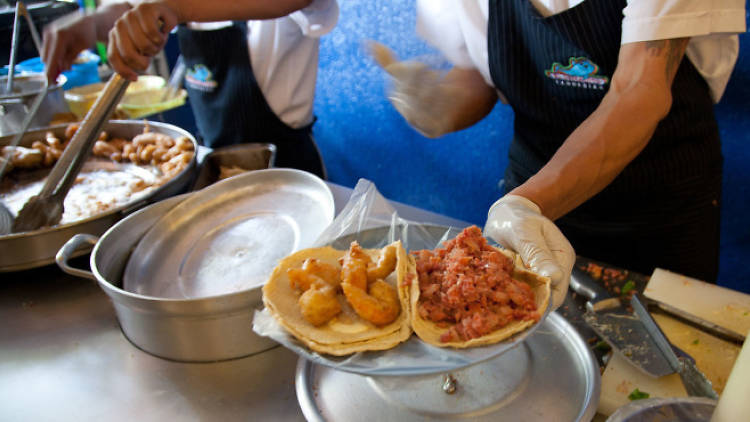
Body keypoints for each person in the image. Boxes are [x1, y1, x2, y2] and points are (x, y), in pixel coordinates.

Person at [375, 0, 746, 309]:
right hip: (530, 192)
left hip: (659, 209)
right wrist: (439, 103)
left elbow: (639, 89)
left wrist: (527, 205)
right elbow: (479, 74)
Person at [41, 0, 339, 179]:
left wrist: (173, 7)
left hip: (288, 169)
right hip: (214, 165)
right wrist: (91, 24)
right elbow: (133, 6)